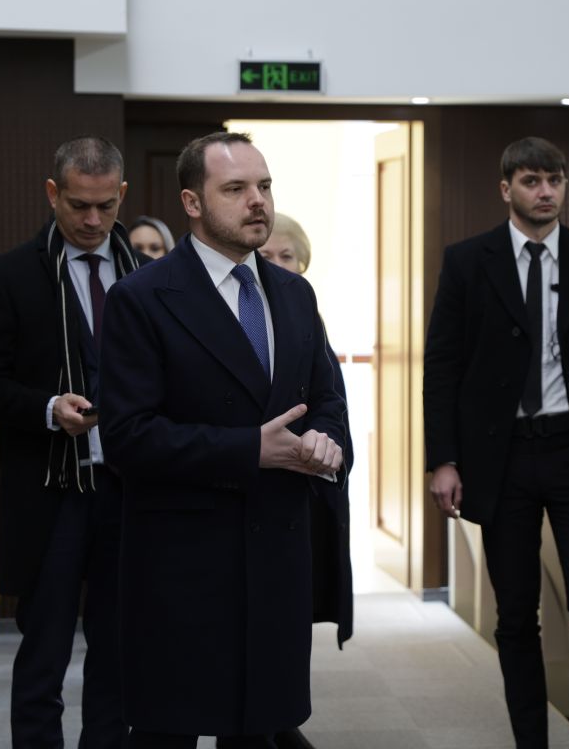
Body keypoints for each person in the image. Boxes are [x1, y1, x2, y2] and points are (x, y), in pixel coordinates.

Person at [98, 131, 347, 748]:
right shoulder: (142, 297)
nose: (257, 201)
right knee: (168, 732)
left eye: (264, 186)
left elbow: (327, 398)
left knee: (261, 729)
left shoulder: (294, 293)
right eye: (235, 189)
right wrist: (248, 450)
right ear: (192, 202)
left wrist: (327, 439)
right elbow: (127, 437)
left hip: (275, 555)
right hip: (184, 562)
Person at [424, 137, 569, 749]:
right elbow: (442, 365)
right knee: (515, 614)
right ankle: (531, 741)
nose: (546, 191)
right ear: (506, 188)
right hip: (501, 456)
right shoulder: (467, 261)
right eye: (532, 180)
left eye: (555, 179)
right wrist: (443, 459)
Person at [0, 135, 146, 748]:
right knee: (43, 653)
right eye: (77, 205)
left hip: (129, 489)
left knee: (119, 651)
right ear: (52, 194)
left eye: (105, 206)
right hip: (51, 492)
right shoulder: (9, 276)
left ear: (122, 195)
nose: (92, 220)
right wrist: (47, 408)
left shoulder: (148, 276)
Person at [258, 212, 353, 749]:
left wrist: (326, 445)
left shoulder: (305, 316)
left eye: (287, 257)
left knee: (285, 641)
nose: (277, 265)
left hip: (304, 493)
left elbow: (332, 405)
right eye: (266, 256)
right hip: (247, 490)